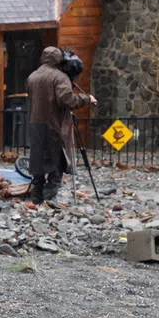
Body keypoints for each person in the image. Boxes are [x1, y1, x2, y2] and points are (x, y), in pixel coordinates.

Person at [25, 46, 96, 206]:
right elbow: (67, 100)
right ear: (58, 59)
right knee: (56, 164)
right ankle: (49, 201)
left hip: (36, 125)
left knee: (38, 164)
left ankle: (36, 200)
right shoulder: (59, 77)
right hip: (54, 125)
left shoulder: (32, 76)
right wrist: (86, 98)